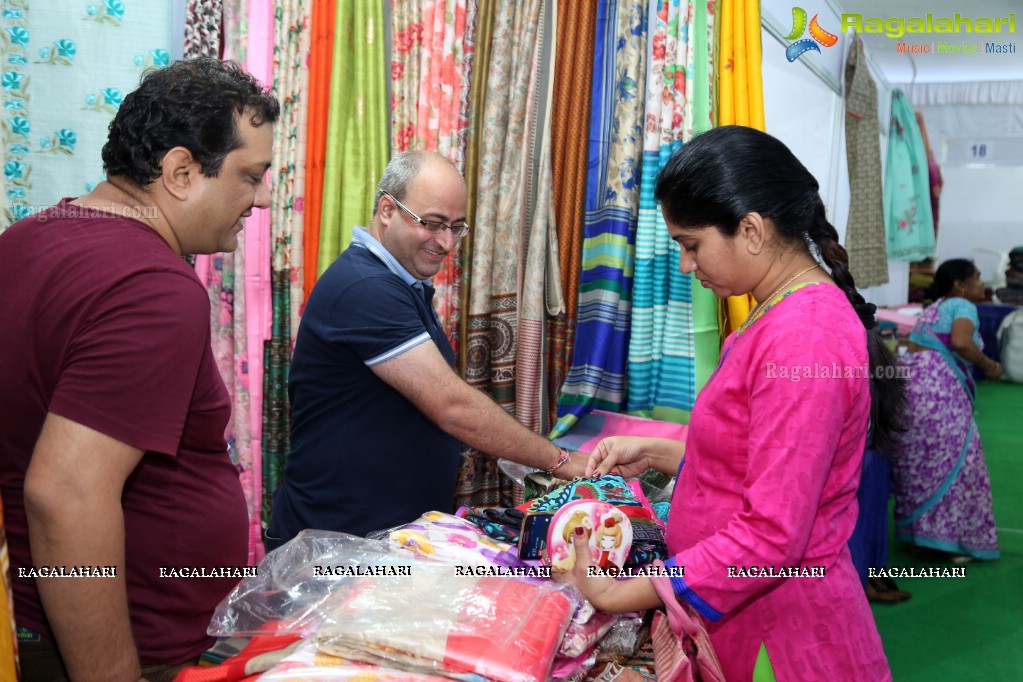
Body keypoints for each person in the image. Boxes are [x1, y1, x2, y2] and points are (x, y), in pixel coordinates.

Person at [553, 125, 905, 681]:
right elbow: (762, 457)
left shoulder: (804, 336)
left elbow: (770, 536)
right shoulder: (774, 313)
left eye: (691, 245)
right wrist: (660, 449)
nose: (687, 266)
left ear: (751, 230)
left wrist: (620, 593)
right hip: (752, 615)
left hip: (781, 636)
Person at [0, 57, 279, 682]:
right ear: (181, 171)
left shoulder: (28, 238)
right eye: (250, 176)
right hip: (126, 643)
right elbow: (64, 493)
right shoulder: (152, 287)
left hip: (40, 622)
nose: (263, 198)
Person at [266, 150, 586, 547]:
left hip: (375, 536)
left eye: (456, 227)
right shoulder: (365, 288)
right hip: (337, 541)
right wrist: (561, 461)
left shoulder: (401, 283)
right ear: (387, 209)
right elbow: (454, 409)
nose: (446, 241)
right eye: (432, 224)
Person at [893, 259, 1002, 562]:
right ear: (960, 285)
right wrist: (990, 365)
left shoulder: (931, 310)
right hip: (943, 395)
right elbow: (962, 343)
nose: (982, 283)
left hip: (913, 392)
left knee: (921, 464)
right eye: (977, 277)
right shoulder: (962, 306)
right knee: (958, 465)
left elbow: (913, 350)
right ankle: (949, 541)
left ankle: (918, 536)